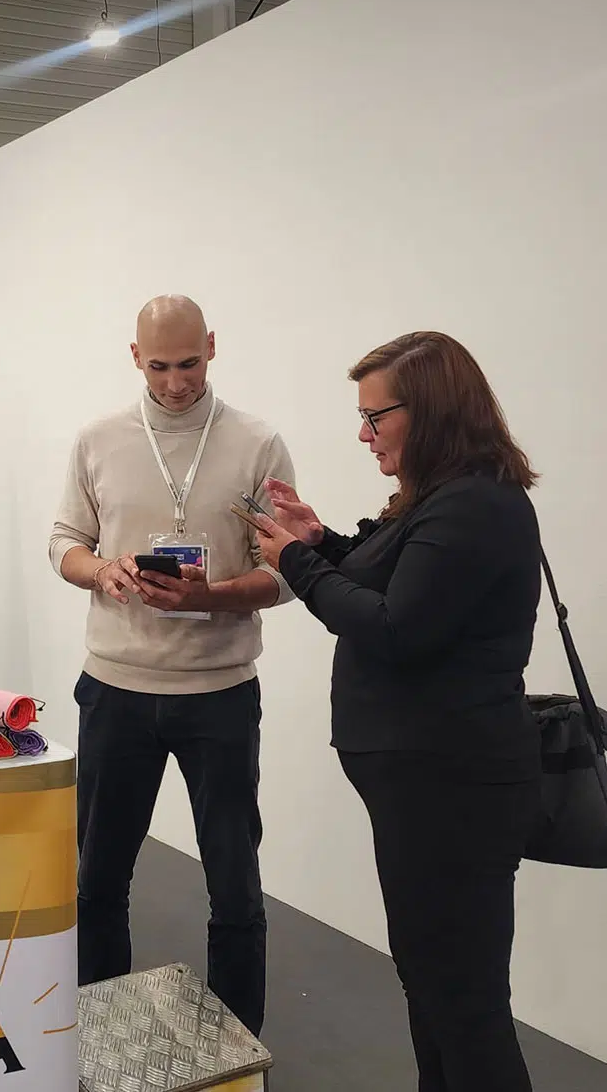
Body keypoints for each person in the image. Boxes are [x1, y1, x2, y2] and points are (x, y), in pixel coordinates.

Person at [251, 331, 541, 1092]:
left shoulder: (474, 505)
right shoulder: (444, 498)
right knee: (433, 986)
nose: (363, 434)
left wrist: (296, 562)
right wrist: (322, 541)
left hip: (455, 789)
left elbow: (394, 628)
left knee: (465, 1004)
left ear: (431, 411)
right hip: (428, 787)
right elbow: (394, 581)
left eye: (374, 417)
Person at [49, 295, 295, 1036]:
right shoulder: (98, 439)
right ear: (135, 357)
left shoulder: (257, 443)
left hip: (220, 694)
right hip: (116, 689)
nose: (176, 382)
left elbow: (286, 573)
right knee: (98, 880)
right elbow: (64, 542)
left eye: (189, 363)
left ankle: (240, 1048)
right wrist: (103, 572)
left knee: (235, 888)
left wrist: (209, 596)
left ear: (212, 346)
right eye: (158, 366)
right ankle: (99, 1038)